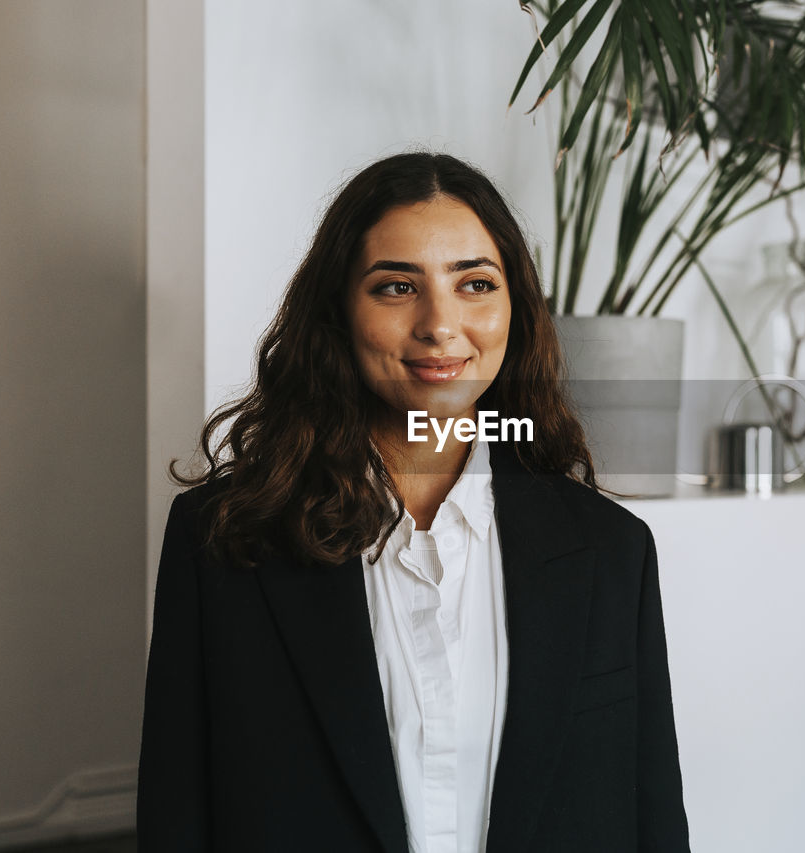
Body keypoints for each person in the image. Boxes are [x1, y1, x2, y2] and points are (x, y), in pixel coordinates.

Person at [136, 152, 691, 853]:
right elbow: (177, 816)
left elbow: (651, 824)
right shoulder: (222, 542)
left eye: (475, 284)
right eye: (398, 286)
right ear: (337, 310)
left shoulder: (612, 551)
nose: (440, 324)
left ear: (513, 309)